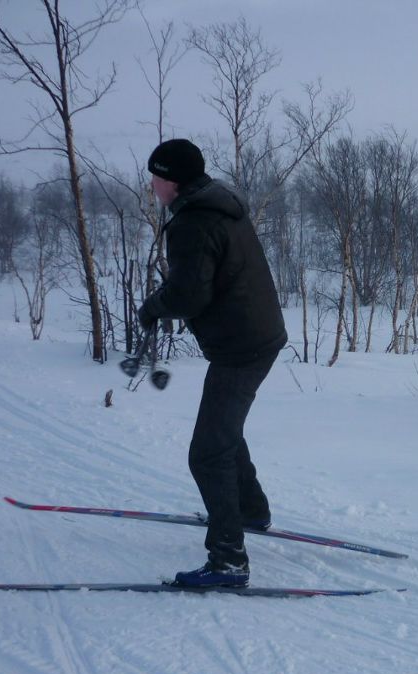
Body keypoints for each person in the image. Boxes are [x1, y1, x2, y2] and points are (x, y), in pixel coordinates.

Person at [140, 138, 287, 588]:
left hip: (240, 346)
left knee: (207, 453)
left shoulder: (194, 221)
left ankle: (228, 561)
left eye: (156, 178)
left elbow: (189, 295)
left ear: (172, 181)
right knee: (222, 435)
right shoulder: (217, 202)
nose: (152, 187)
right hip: (254, 336)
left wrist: (153, 306)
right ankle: (249, 511)